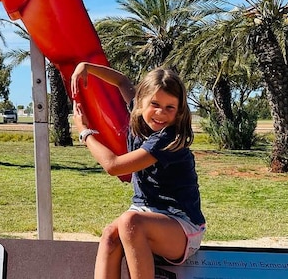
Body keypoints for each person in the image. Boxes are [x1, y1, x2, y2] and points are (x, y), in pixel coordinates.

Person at [70, 63, 205, 279]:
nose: (161, 113)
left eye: (170, 107)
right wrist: (86, 67)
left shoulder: (167, 139)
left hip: (183, 227)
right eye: (155, 104)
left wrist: (85, 132)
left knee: (129, 221)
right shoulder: (138, 107)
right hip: (145, 214)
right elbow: (122, 80)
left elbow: (113, 166)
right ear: (140, 102)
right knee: (109, 237)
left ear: (179, 111)